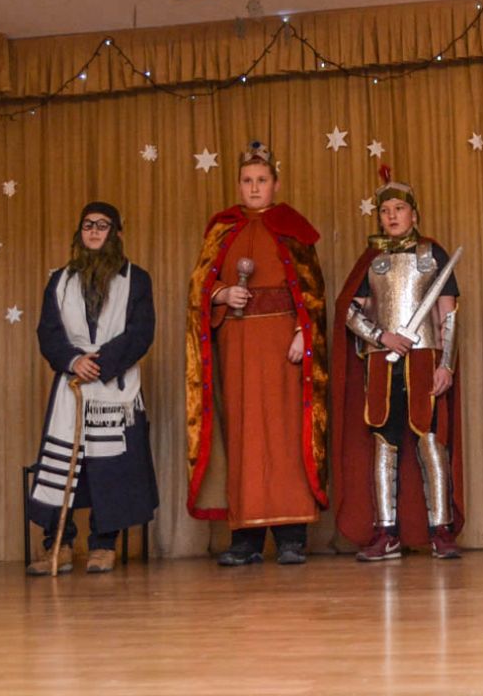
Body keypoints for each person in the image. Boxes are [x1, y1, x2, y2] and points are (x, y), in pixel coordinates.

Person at [185, 141, 328, 566]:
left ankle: (291, 538)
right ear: (238, 184)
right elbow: (198, 288)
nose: (253, 188)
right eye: (247, 180)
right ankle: (245, 539)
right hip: (238, 346)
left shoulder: (292, 228)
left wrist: (304, 332)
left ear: (275, 184)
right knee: (243, 436)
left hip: (283, 345)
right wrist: (222, 293)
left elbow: (313, 290)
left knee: (285, 436)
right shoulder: (221, 230)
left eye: (261, 180)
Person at [332, 176, 464, 560]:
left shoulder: (433, 254)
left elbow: (448, 315)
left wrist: (446, 365)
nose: (392, 216)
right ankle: (385, 531)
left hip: (425, 359)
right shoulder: (372, 261)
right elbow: (350, 312)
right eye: (385, 211)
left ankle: (440, 529)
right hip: (382, 361)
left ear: (414, 214)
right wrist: (381, 336)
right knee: (384, 442)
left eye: (399, 209)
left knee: (430, 439)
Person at [26, 202, 158, 575]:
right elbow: (48, 332)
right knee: (63, 464)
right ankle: (60, 544)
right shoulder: (60, 280)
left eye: (103, 225)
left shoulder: (136, 279)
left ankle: (103, 544)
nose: (95, 231)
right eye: (88, 225)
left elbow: (141, 332)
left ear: (116, 233)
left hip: (114, 387)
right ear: (79, 232)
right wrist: (73, 360)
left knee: (109, 465)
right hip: (72, 384)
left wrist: (99, 363)